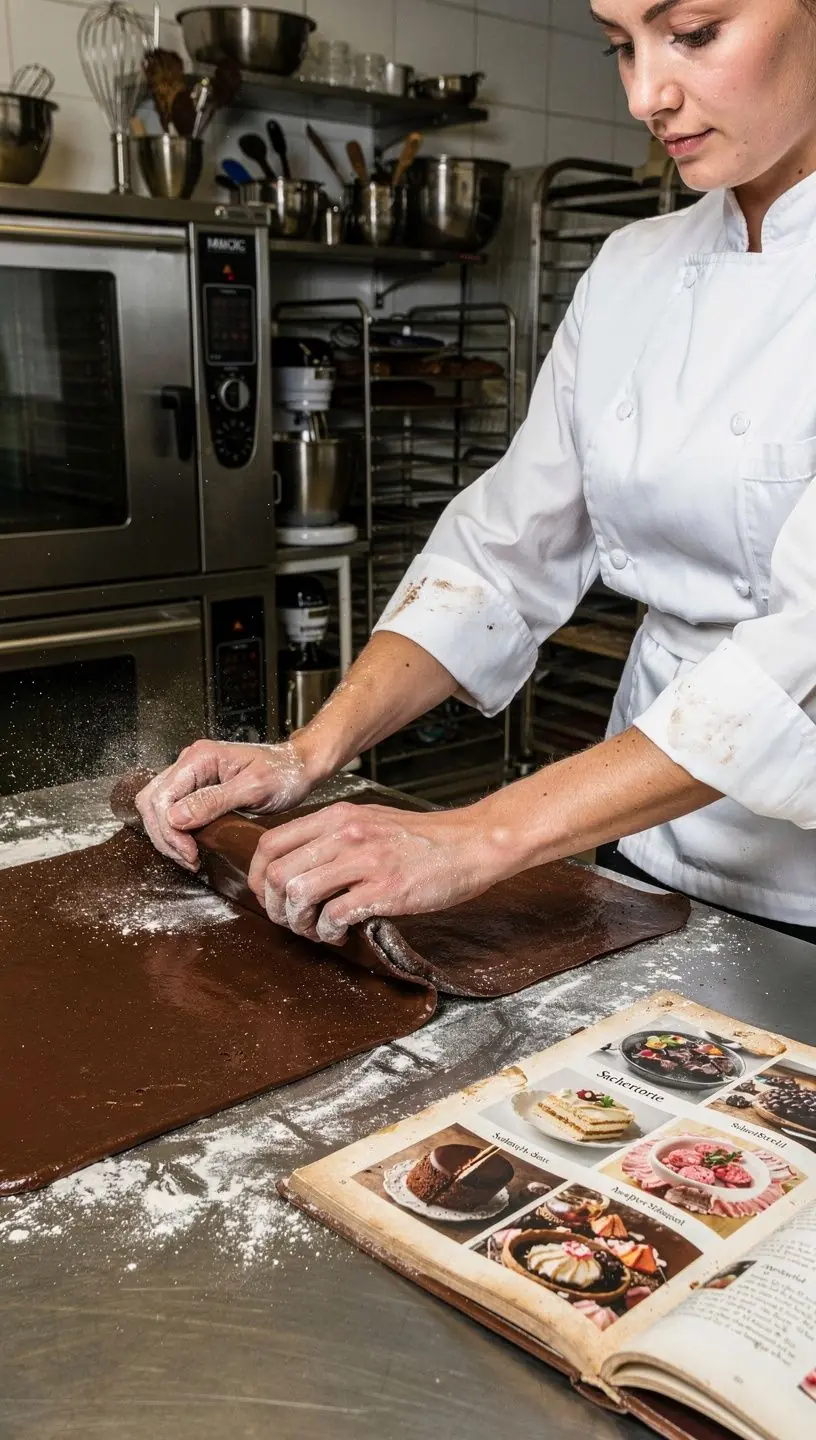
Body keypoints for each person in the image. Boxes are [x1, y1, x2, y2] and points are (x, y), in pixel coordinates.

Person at [137, 0, 816, 947]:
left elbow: (801, 659)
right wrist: (308, 752)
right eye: (622, 48)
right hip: (642, 842)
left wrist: (476, 836)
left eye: (695, 33)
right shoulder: (632, 267)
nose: (646, 96)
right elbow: (505, 549)